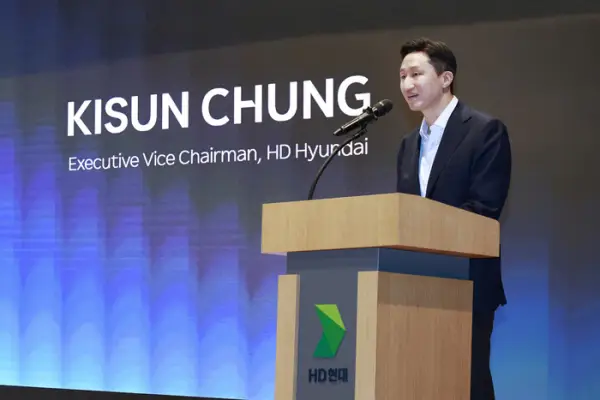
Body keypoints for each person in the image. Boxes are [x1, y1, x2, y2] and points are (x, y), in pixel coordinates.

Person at [396, 37, 512, 400]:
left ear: (446, 79)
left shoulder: (485, 131)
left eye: (416, 74)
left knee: (467, 383)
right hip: (412, 285)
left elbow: (485, 209)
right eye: (402, 76)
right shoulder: (407, 144)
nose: (407, 84)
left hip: (467, 283)